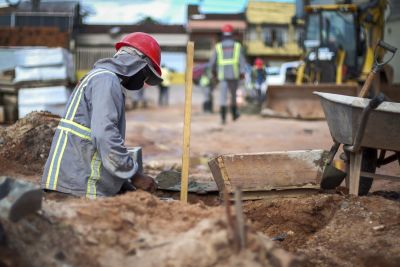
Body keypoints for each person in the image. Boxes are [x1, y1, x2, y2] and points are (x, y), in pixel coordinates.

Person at [41, 32, 162, 198]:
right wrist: (135, 176)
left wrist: (124, 182)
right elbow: (105, 135)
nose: (144, 81)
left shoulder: (102, 78)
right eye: (146, 74)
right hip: (77, 185)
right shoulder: (107, 81)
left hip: (73, 181)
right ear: (138, 64)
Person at [209, 23, 246, 124]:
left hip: (222, 75)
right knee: (233, 96)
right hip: (234, 74)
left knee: (223, 97)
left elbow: (212, 63)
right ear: (232, 34)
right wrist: (242, 73)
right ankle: (234, 115)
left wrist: (213, 73)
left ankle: (223, 119)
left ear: (223, 35)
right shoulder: (237, 46)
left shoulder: (218, 47)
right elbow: (242, 61)